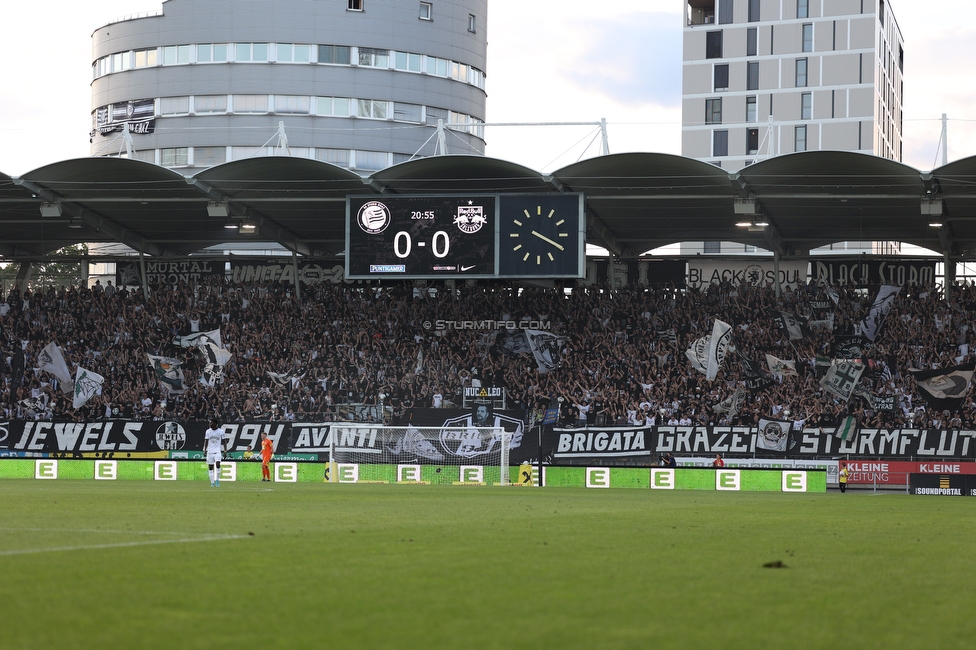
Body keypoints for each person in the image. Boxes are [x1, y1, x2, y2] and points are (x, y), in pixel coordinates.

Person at [204, 418, 226, 487]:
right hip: (210, 452)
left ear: (215, 424)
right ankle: (212, 482)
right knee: (210, 467)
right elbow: (206, 441)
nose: (210, 424)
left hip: (217, 451)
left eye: (211, 423)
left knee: (218, 464)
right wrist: (205, 450)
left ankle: (217, 480)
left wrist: (225, 451)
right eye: (209, 423)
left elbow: (224, 441)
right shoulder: (208, 431)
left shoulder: (221, 431)